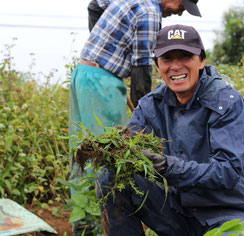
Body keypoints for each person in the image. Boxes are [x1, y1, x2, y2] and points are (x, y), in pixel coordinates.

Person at [97, 24, 244, 236]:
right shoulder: (151, 105)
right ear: (158, 65)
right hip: (179, 212)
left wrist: (168, 167)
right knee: (111, 177)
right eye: (167, 59)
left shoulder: (226, 102)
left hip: (230, 214)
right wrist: (113, 148)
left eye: (185, 57)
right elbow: (131, 148)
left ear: (201, 61)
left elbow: (227, 172)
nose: (176, 66)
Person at [69, 1, 201, 234]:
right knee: (111, 159)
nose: (179, 11)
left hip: (84, 73)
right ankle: (98, 228)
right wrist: (148, 113)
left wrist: (104, 44)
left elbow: (94, 5)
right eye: (182, 4)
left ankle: (84, 226)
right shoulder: (150, 13)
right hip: (103, 83)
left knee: (84, 152)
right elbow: (141, 69)